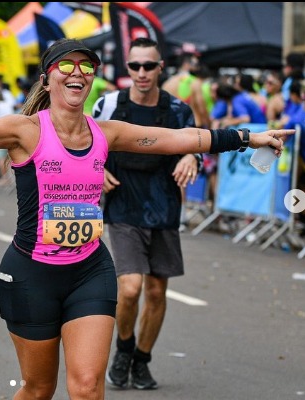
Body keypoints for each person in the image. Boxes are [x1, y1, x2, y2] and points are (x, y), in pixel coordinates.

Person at [0, 38, 291, 400]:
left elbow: (179, 138)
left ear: (91, 81)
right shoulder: (24, 130)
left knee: (88, 387)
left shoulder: (106, 133)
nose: (77, 74)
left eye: (85, 68)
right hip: (31, 274)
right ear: (49, 78)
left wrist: (248, 138)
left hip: (89, 270)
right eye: (66, 67)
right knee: (37, 389)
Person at [92, 37, 201, 390]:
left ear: (160, 68)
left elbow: (199, 142)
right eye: (134, 66)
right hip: (123, 206)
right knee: (130, 288)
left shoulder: (177, 109)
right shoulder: (108, 105)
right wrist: (97, 169)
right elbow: (84, 143)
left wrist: (190, 156)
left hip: (164, 206)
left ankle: (141, 359)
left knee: (156, 292)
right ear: (127, 68)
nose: (141, 73)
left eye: (148, 66)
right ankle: (123, 349)